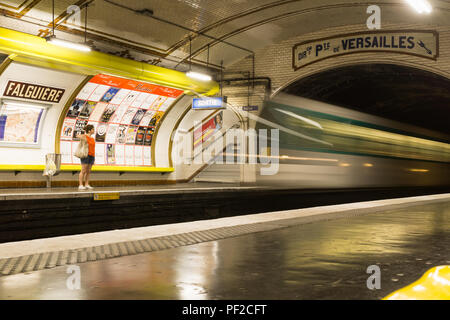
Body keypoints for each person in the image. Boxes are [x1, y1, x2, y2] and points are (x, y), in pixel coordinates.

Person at [78, 125, 96, 191]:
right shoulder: (84, 136)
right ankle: (80, 184)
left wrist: (94, 157)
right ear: (89, 130)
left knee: (88, 171)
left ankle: (86, 184)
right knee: (83, 170)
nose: (93, 131)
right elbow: (78, 136)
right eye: (93, 129)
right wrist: (83, 137)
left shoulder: (92, 138)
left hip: (92, 155)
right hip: (86, 155)